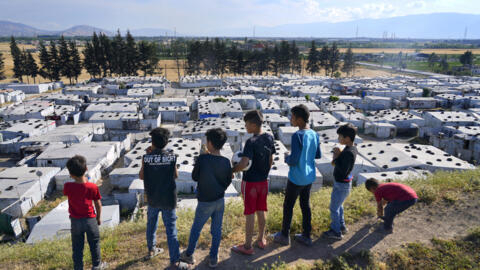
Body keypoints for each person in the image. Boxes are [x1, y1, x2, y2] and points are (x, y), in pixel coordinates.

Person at [180, 128, 232, 268]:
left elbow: (194, 177)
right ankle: (213, 257)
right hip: (220, 200)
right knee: (217, 230)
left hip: (204, 201)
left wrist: (202, 158)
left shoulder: (203, 159)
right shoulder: (226, 162)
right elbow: (228, 181)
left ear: (209, 142)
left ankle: (189, 254)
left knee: (196, 228)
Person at [139, 127, 189, 269]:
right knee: (171, 229)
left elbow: (141, 176)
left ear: (152, 142)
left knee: (151, 225)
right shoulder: (171, 157)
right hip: (168, 199)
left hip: (153, 198)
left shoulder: (146, 158)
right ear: (166, 143)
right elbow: (176, 175)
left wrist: (146, 160)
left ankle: (151, 250)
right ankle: (175, 260)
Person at [272, 105, 321, 246]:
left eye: (292, 117)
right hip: (309, 176)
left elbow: (293, 161)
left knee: (288, 206)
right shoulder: (314, 134)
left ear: (299, 119)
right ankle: (306, 235)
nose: (290, 119)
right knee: (305, 205)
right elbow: (317, 155)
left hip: (296, 177)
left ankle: (284, 235)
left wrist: (287, 157)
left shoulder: (297, 136)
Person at [231, 110, 276, 255]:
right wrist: (264, 173)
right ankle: (261, 239)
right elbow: (271, 160)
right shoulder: (269, 138)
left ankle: (248, 246)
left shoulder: (250, 142)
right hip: (263, 181)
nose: (245, 127)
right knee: (261, 210)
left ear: (253, 124)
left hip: (250, 182)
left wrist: (232, 170)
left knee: (250, 212)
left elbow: (244, 163)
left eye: (246, 124)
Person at [64, 155, 107, 270]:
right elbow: (98, 204)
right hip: (90, 220)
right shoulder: (92, 187)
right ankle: (97, 266)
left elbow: (75, 190)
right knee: (94, 244)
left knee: (77, 247)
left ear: (70, 174)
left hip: (75, 221)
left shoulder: (67, 186)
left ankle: (78, 268)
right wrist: (98, 218)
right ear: (86, 169)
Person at [322, 124, 357, 240]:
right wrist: (338, 156)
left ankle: (336, 232)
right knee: (339, 206)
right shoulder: (351, 149)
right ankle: (342, 226)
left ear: (347, 138)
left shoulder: (348, 153)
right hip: (343, 184)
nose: (338, 139)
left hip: (341, 184)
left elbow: (343, 170)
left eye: (340, 137)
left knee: (333, 208)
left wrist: (336, 156)